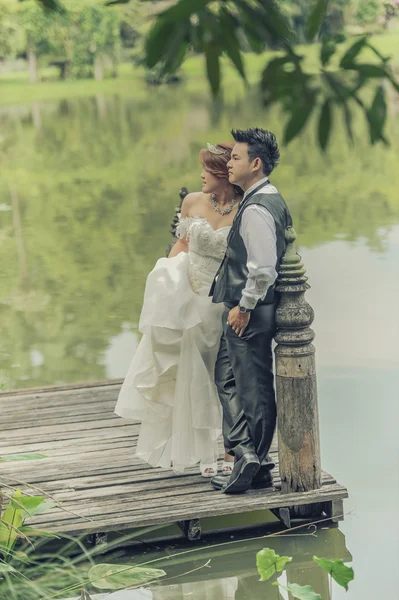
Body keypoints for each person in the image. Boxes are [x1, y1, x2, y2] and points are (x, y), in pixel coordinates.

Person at [115, 142, 243, 477]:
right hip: (186, 297)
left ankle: (231, 450)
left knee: (222, 378)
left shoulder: (246, 207)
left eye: (206, 170)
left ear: (222, 174)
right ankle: (205, 454)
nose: (201, 175)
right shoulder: (192, 202)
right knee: (189, 374)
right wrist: (163, 283)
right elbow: (183, 244)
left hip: (222, 301)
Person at [209, 128, 293, 494]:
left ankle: (254, 462)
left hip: (250, 311)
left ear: (255, 164)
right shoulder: (261, 196)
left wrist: (243, 307)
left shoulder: (258, 207)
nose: (229, 163)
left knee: (254, 387)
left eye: (236, 158)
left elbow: (263, 268)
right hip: (245, 309)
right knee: (227, 377)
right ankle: (246, 453)